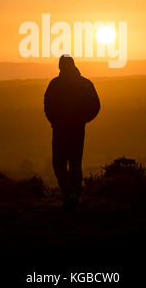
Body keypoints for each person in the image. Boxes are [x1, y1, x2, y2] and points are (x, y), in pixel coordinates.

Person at [44, 55, 100, 209]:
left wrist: (55, 121)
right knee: (71, 164)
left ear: (60, 66)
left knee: (61, 163)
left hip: (63, 130)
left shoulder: (55, 84)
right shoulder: (84, 84)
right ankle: (72, 194)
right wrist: (83, 119)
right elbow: (95, 105)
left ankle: (70, 194)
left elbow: (47, 104)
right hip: (72, 130)